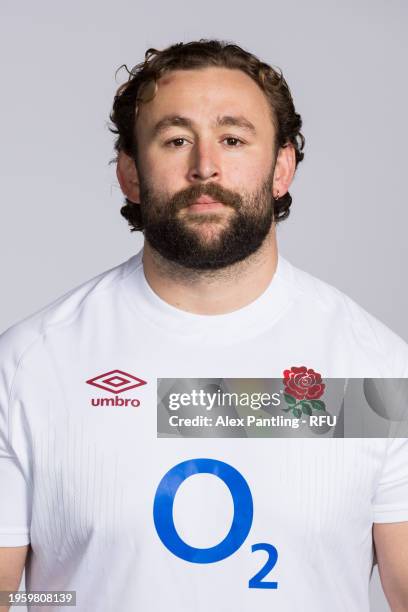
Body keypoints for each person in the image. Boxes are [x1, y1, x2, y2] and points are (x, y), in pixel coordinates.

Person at [0, 39, 407, 612]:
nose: (205, 166)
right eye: (176, 140)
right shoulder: (27, 367)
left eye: (233, 138)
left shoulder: (378, 374)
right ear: (130, 174)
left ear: (282, 167)